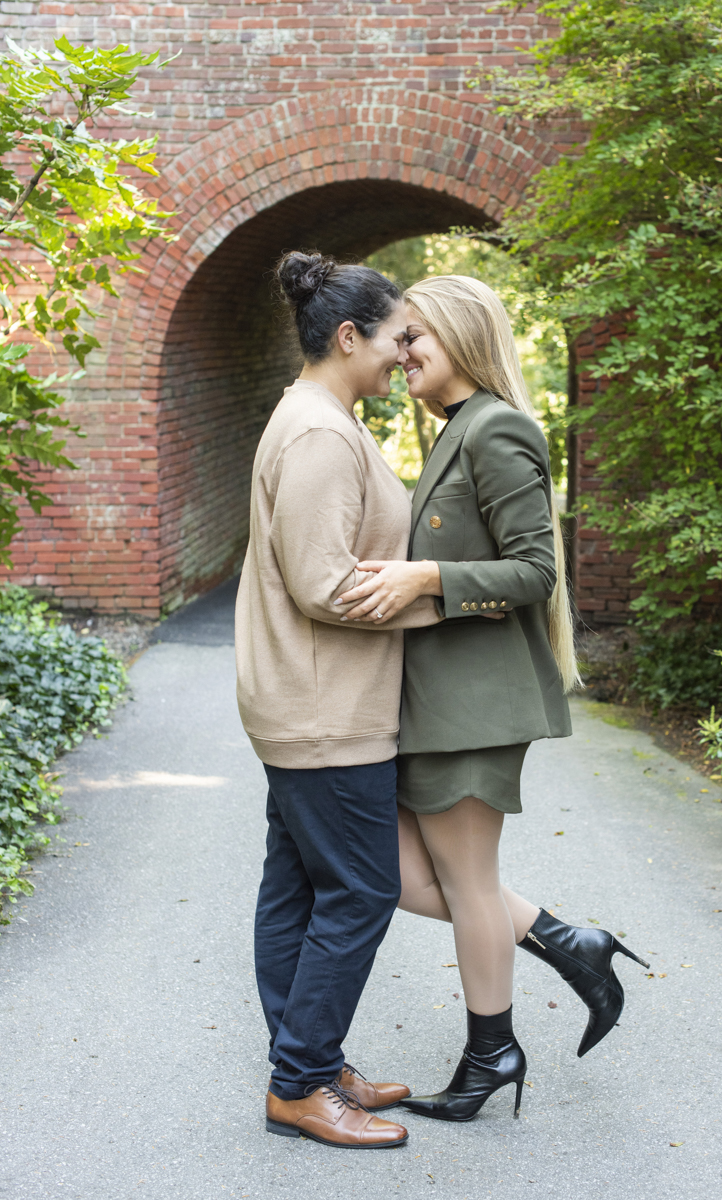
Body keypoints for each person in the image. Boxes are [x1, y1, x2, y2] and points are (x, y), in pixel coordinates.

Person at [336, 275, 649, 1122]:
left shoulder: (498, 427)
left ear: (461, 337)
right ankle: (566, 942)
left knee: (467, 885)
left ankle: (491, 1054)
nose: (401, 354)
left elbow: (535, 572)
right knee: (395, 873)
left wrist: (425, 575)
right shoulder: (453, 433)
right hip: (435, 701)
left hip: (474, 704)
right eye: (398, 340)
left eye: (414, 338)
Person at [234, 251, 443, 1149]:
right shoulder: (320, 431)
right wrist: (437, 596)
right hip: (326, 709)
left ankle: (309, 1060)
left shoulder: (317, 417)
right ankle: (299, 1085)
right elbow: (323, 582)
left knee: (299, 889)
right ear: (348, 336)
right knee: (359, 889)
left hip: (304, 700)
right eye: (398, 337)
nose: (407, 352)